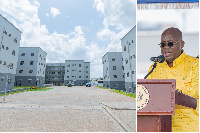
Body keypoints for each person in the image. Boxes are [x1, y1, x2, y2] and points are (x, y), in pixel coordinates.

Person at [147, 27, 199, 132]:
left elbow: (197, 91)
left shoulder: (195, 65)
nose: (166, 47)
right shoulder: (155, 67)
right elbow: (147, 94)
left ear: (182, 44)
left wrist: (171, 91)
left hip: (188, 127)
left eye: (170, 43)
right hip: (159, 127)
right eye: (163, 44)